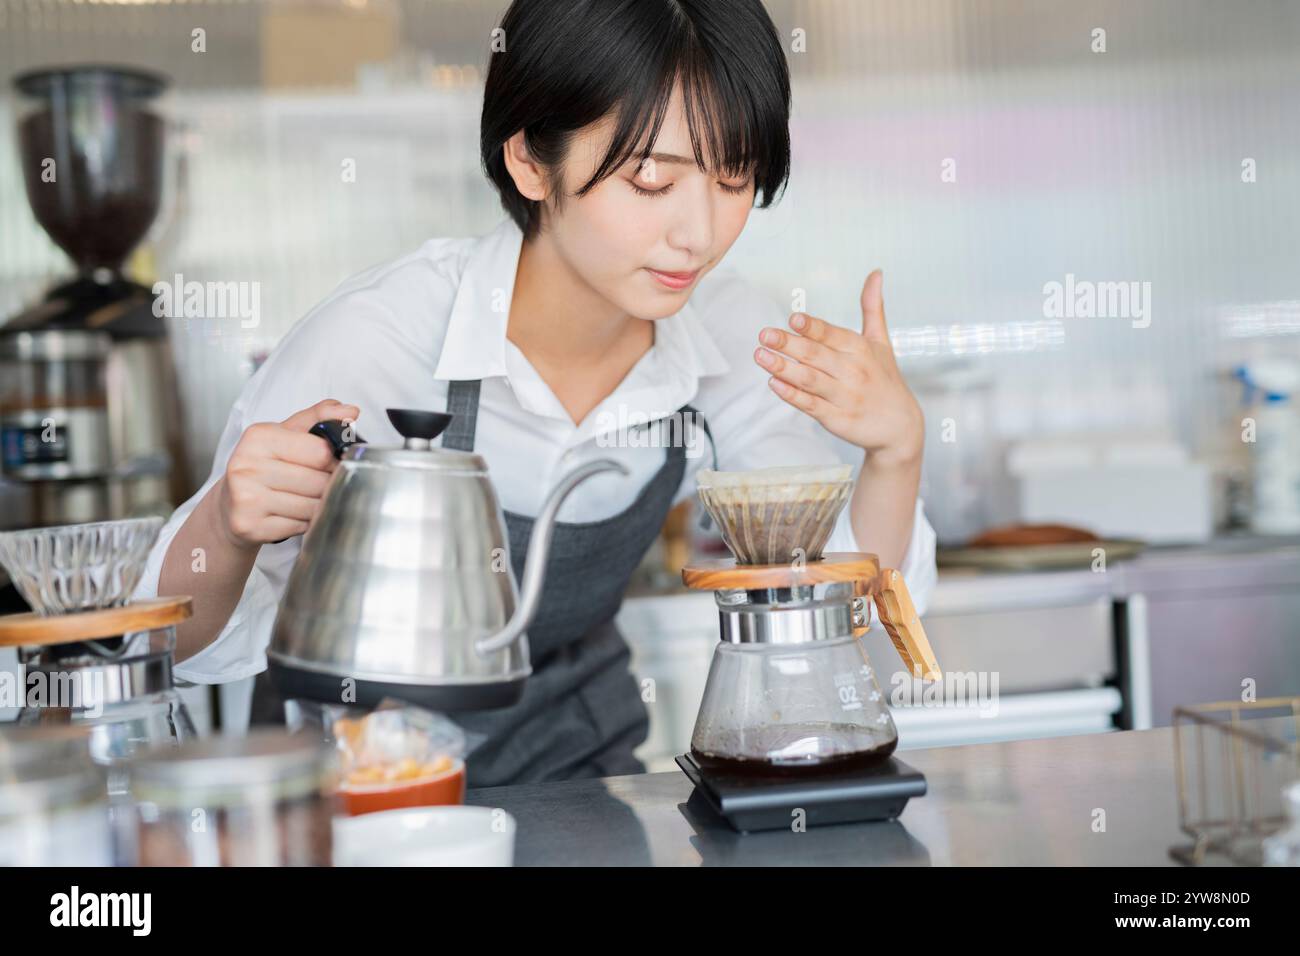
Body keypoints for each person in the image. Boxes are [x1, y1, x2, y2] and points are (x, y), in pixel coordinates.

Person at [136, 0, 937, 787]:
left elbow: (835, 596)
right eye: (652, 180)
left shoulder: (736, 336)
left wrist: (895, 451)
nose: (698, 233)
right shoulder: (381, 337)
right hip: (358, 792)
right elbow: (180, 648)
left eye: (733, 179)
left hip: (582, 784)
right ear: (529, 160)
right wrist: (227, 527)